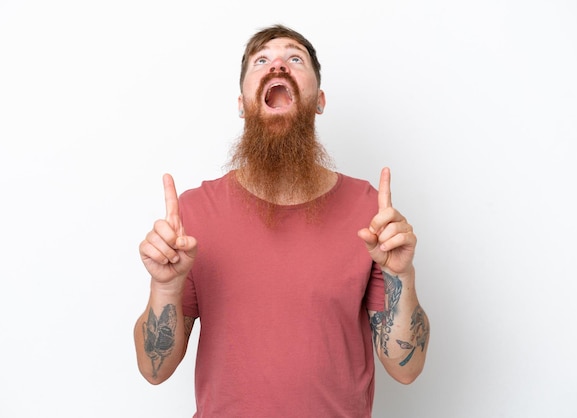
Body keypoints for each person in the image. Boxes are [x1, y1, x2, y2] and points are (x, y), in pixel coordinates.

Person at [134, 24, 430, 417]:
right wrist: (166, 287)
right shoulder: (192, 214)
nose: (277, 64)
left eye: (295, 58)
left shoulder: (370, 213)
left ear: (319, 99)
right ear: (241, 102)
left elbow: (404, 369)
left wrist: (401, 278)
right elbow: (155, 371)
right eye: (261, 60)